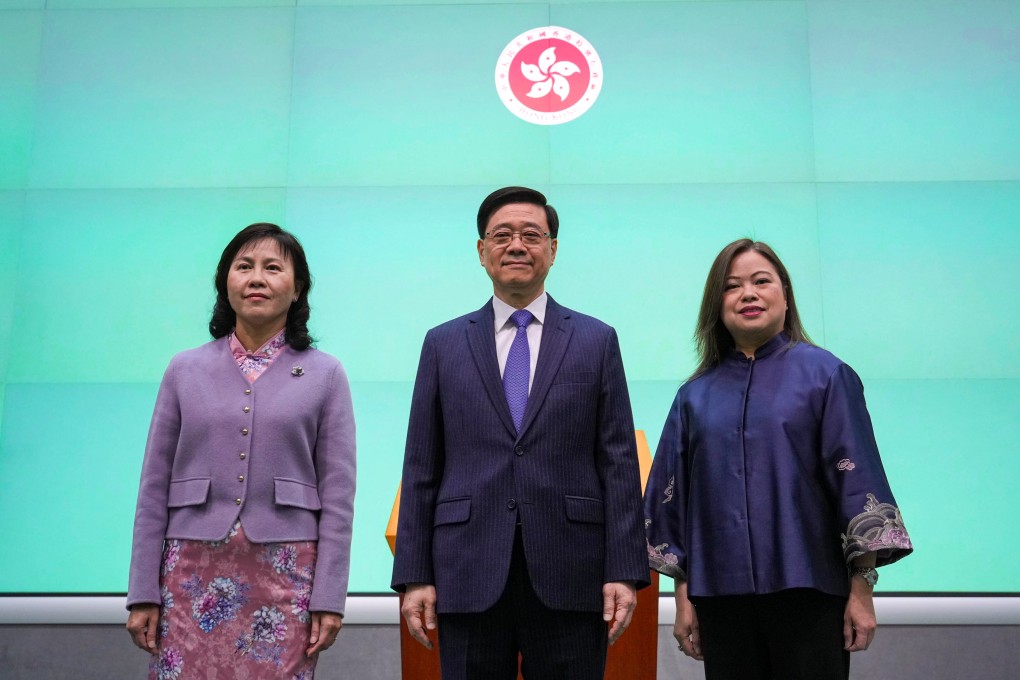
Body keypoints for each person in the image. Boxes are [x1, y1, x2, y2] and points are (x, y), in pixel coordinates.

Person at [391, 187, 648, 680]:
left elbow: (618, 462)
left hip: (571, 570)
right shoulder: (443, 343)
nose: (516, 245)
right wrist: (414, 575)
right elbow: (421, 465)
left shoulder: (596, 340)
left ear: (552, 249)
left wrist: (623, 569)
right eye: (502, 235)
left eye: (531, 235)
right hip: (467, 570)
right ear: (481, 250)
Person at [644, 238, 913, 680]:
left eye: (761, 281)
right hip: (721, 598)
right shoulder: (694, 396)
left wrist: (862, 588)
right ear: (716, 306)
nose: (748, 294)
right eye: (732, 286)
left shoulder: (827, 376)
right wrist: (683, 596)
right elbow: (676, 502)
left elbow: (857, 483)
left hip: (810, 590)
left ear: (785, 295)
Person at [126, 223, 356, 679]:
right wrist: (142, 592)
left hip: (286, 576)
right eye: (244, 266)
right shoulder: (183, 369)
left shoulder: (326, 375)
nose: (257, 278)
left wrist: (329, 597)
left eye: (273, 268)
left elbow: (338, 497)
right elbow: (152, 487)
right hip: (189, 573)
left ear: (298, 288)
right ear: (225, 282)